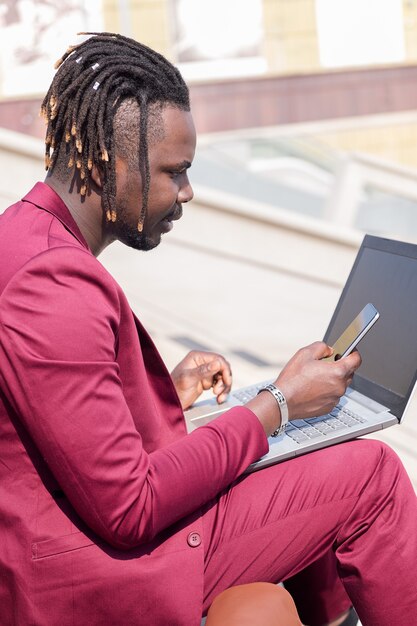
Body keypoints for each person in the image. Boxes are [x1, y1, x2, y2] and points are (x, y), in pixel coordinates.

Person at [0, 32, 416, 626]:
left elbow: (59, 416)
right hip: (97, 575)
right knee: (371, 473)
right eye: (175, 172)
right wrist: (278, 404)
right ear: (105, 162)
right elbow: (131, 507)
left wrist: (160, 392)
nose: (186, 192)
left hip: (82, 542)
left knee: (309, 455)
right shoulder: (50, 283)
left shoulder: (23, 236)